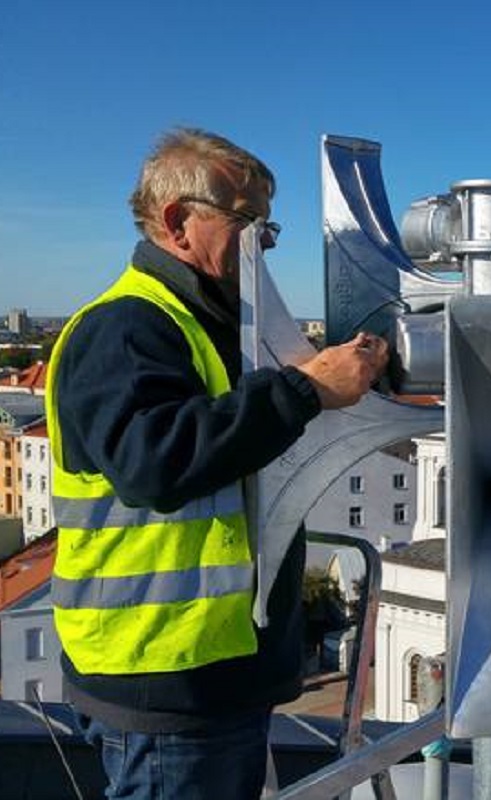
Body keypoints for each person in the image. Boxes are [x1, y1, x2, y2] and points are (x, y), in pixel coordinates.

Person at [46, 128, 389, 799]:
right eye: (248, 224)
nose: (263, 245)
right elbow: (156, 464)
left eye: (271, 229)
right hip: (164, 673)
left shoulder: (216, 328)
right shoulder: (125, 327)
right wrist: (306, 389)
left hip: (207, 669)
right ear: (178, 221)